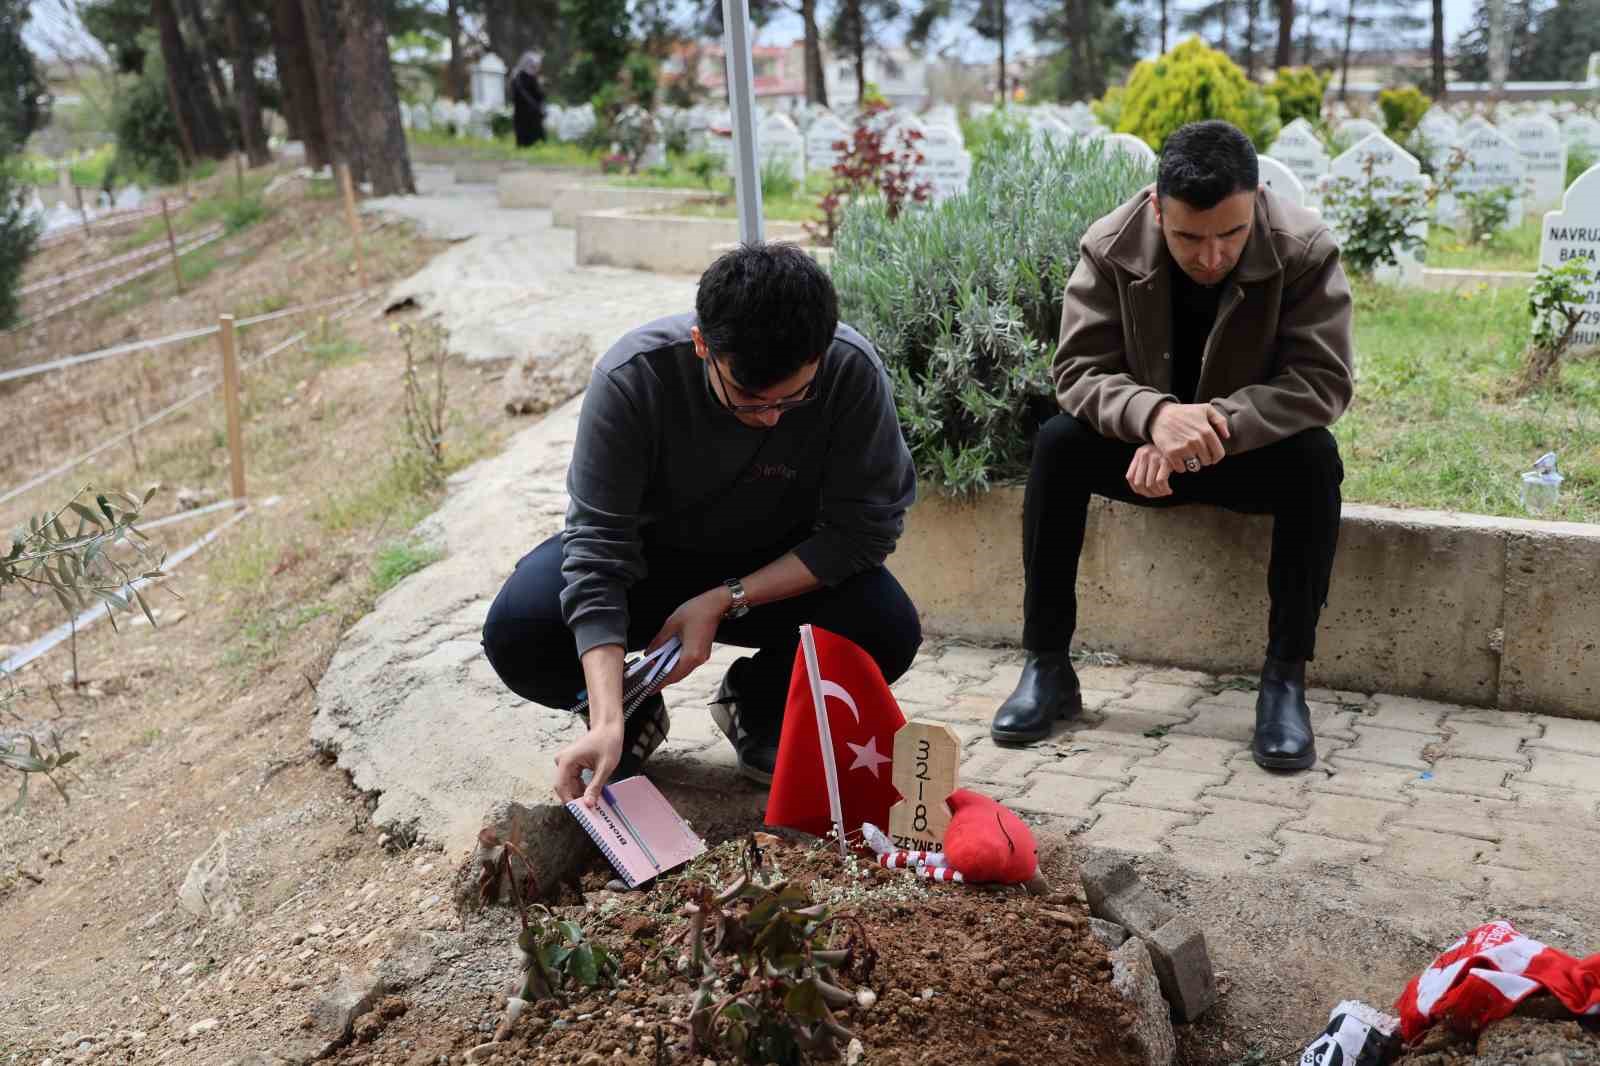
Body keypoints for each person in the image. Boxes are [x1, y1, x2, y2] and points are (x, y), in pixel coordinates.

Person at [482, 243, 922, 807]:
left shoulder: (850, 369)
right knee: (520, 628)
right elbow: (598, 551)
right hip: (651, 565)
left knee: (886, 631)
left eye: (793, 399)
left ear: (821, 353)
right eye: (747, 399)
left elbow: (865, 530)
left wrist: (725, 599)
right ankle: (630, 714)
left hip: (777, 571)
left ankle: (760, 702)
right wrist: (609, 715)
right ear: (701, 346)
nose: (770, 418)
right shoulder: (632, 377)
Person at [991, 119, 1355, 772]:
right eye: (1189, 237)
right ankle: (1047, 665)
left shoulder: (1304, 249)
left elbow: (1321, 381)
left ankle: (1284, 681)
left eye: (1231, 235)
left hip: (1243, 455)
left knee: (1315, 461)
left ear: (1258, 201)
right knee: (1057, 445)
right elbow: (1077, 372)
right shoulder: (1111, 245)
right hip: (1142, 459)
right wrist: (1154, 417)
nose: (1212, 257)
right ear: (1158, 208)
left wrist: (1207, 425)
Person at [509, 51, 546, 147]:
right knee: (523, 129)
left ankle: (534, 143)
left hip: (532, 110)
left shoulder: (533, 78)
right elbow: (518, 93)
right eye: (534, 65)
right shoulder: (519, 77)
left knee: (534, 129)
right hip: (523, 109)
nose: (536, 68)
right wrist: (533, 103)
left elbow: (539, 94)